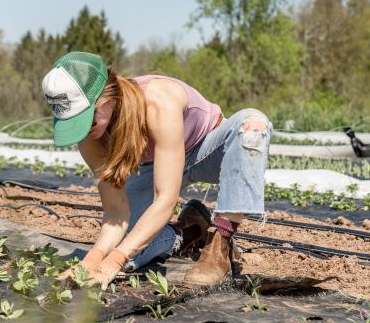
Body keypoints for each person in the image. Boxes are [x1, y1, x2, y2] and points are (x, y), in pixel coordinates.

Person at [43, 51, 271, 289]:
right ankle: (188, 232)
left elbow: (165, 200)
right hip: (155, 166)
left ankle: (220, 244)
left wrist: (114, 262)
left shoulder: (157, 100)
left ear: (107, 96)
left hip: (207, 150)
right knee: (129, 246)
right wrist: (94, 259)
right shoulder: (89, 136)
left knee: (253, 125)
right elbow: (116, 212)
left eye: (88, 119)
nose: (85, 130)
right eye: (74, 123)